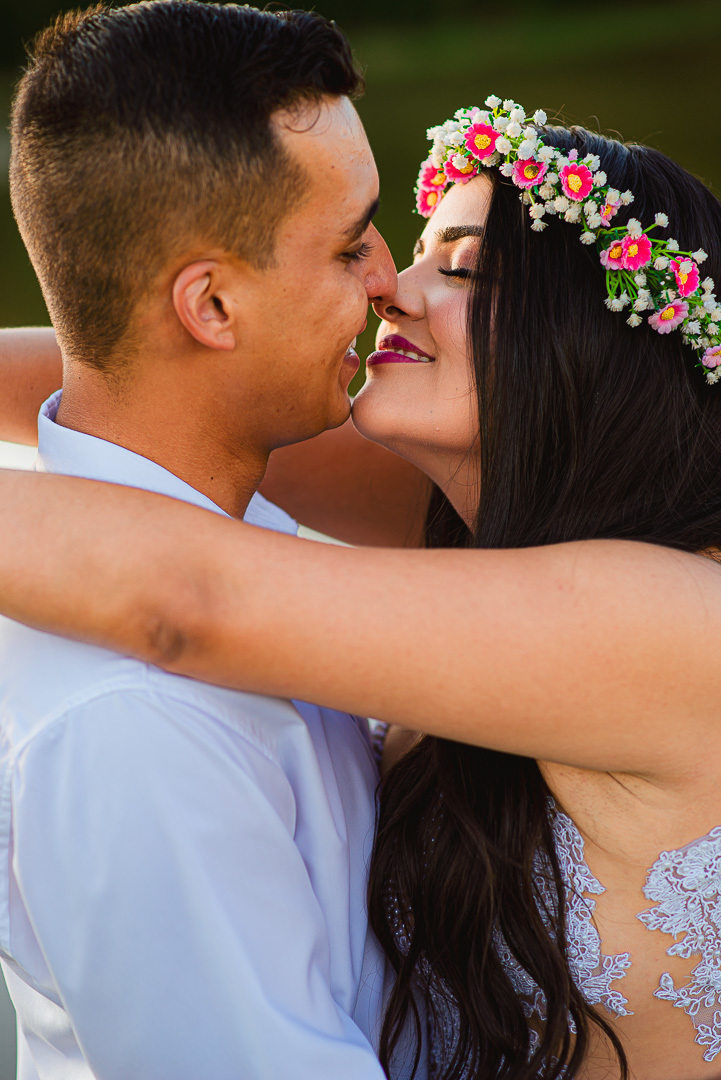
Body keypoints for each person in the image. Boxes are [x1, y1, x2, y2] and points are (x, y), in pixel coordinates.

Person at [2, 94, 721, 1080]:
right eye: (416, 252)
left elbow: (183, 601)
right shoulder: (467, 512)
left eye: (460, 269)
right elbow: (161, 376)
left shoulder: (672, 619)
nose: (391, 288)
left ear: (582, 347)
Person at [0, 4, 433, 1079]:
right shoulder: (131, 725)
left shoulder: (273, 547)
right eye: (348, 244)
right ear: (212, 305)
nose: (388, 281)